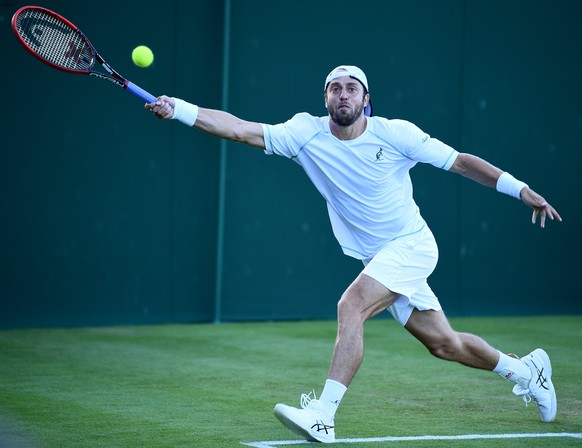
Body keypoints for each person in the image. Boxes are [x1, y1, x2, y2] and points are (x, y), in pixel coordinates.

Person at [146, 65, 561, 443]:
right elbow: (238, 129)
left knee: (352, 305)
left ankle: (323, 415)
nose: (343, 94)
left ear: (366, 100)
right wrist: (179, 108)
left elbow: (461, 163)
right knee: (444, 344)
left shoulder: (395, 133)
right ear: (325, 99)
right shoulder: (303, 132)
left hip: (411, 246)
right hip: (377, 257)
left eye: (352, 88)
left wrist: (519, 188)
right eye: (335, 88)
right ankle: (527, 371)